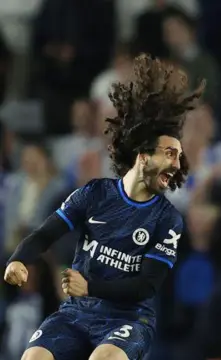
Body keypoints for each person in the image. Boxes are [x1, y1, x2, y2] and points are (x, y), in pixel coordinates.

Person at [3, 54, 204, 360]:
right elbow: (44, 234)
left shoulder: (167, 220)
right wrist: (18, 260)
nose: (176, 164)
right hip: (75, 314)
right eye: (169, 154)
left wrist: (90, 287)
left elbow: (146, 286)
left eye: (178, 156)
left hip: (129, 320)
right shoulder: (94, 194)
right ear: (143, 157)